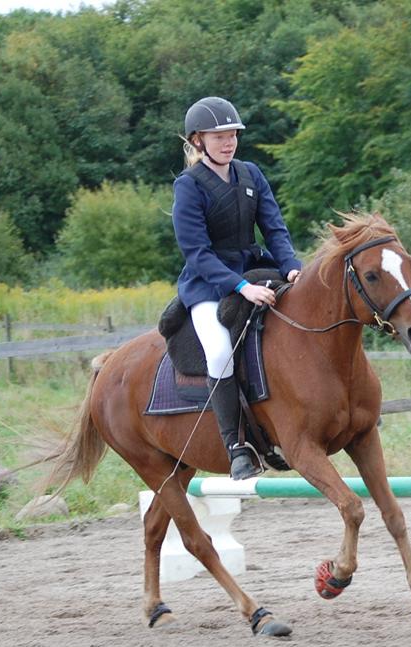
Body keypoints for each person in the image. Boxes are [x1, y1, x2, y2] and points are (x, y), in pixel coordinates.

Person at [171, 96, 303, 480]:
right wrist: (241, 286)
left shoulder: (250, 174)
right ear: (198, 141)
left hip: (257, 268)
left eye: (232, 135)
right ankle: (236, 446)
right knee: (220, 354)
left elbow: (274, 227)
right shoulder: (189, 186)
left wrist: (291, 266)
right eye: (219, 136)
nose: (228, 143)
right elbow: (197, 252)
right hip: (208, 284)